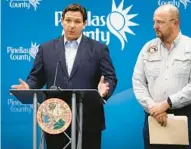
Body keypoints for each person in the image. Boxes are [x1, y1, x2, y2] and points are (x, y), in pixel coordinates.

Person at [12, 3, 117, 149]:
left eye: (77, 21)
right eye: (68, 20)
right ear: (61, 21)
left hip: (88, 118)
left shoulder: (99, 49)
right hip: (55, 117)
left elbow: (110, 77)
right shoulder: (46, 48)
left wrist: (104, 89)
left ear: (85, 24)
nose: (72, 25)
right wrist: (29, 86)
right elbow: (36, 77)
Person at [132, 4, 191, 149]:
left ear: (175, 23)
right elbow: (138, 81)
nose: (155, 26)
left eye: (160, 22)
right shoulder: (147, 49)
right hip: (153, 116)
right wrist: (153, 107)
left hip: (184, 116)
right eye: (154, 22)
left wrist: (167, 104)